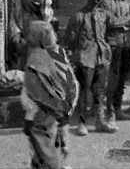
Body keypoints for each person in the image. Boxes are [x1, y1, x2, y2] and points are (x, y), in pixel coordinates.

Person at [21, 21, 79, 169]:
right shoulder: (59, 53)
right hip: (60, 113)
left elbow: (32, 94)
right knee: (58, 151)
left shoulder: (35, 58)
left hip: (41, 117)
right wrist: (68, 110)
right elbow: (73, 86)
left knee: (43, 155)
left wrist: (29, 117)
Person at [63, 0, 116, 136]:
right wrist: (72, 56)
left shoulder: (103, 15)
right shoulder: (78, 16)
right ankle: (82, 122)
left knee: (100, 90)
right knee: (84, 91)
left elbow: (110, 31)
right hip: (85, 58)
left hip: (101, 57)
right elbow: (70, 39)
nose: (95, 1)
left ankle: (100, 121)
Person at [99, 0, 130, 127]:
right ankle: (109, 111)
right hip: (113, 44)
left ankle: (118, 107)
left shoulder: (128, 2)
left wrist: (123, 23)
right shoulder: (105, 2)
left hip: (127, 43)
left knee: (123, 77)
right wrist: (125, 21)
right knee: (112, 78)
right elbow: (109, 22)